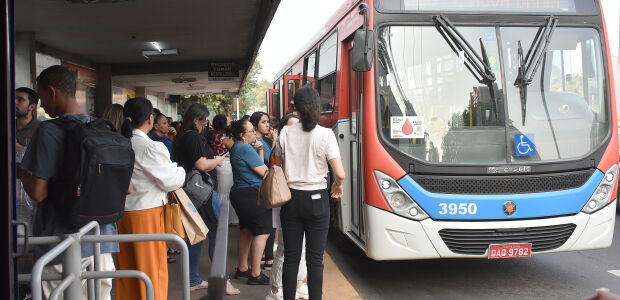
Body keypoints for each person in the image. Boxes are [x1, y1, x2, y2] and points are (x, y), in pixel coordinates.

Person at [17, 65, 120, 300]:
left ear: (51, 91)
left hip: (61, 244)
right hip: (102, 242)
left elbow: (39, 192)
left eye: (41, 97)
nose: (42, 104)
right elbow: (127, 187)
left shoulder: (48, 131)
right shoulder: (102, 128)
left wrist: (22, 174)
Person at [273, 86, 345, 300]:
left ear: (296, 108)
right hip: (317, 201)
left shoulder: (286, 132)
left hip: (291, 200)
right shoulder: (325, 135)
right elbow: (339, 173)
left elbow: (276, 164)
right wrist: (337, 185)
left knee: (291, 258)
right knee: (315, 259)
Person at [115, 97, 185, 300]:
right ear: (149, 118)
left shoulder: (121, 142)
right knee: (152, 269)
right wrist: (180, 169)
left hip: (123, 214)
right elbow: (171, 180)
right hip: (147, 213)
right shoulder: (149, 147)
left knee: (127, 270)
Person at [173, 104, 240, 295]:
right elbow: (202, 164)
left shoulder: (181, 136)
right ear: (196, 120)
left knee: (196, 235)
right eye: (204, 121)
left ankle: (193, 279)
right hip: (202, 193)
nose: (205, 125)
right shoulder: (192, 136)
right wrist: (217, 161)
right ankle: (223, 281)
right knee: (218, 234)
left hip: (189, 193)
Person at [265, 114, 308, 300]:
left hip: (302, 201)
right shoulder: (279, 149)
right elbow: (275, 172)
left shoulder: (304, 146)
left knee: (304, 247)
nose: (295, 130)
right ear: (283, 130)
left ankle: (299, 284)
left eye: (297, 126)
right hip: (285, 201)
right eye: (290, 126)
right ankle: (275, 288)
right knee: (285, 248)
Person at [229, 119, 271, 285]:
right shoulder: (245, 147)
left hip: (241, 194)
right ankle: (255, 274)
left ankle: (242, 269)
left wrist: (259, 150)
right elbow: (264, 171)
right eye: (252, 131)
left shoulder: (239, 147)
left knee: (247, 230)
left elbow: (257, 165)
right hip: (251, 194)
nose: (255, 133)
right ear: (242, 135)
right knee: (262, 232)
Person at [250, 111, 276, 270]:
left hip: (262, 184)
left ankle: (267, 255)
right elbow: (271, 160)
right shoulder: (258, 141)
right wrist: (274, 141)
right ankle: (269, 259)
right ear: (256, 125)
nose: (267, 125)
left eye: (268, 122)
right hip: (264, 184)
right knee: (269, 223)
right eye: (264, 122)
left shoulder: (259, 140)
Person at [210, 114, 239, 226]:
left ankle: (222, 218)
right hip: (226, 163)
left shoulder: (213, 135)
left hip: (217, 163)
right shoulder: (225, 136)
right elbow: (234, 148)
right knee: (226, 193)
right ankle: (230, 219)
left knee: (221, 192)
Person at [15, 87, 40, 151]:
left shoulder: (41, 129)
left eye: (20, 100)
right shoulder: (7, 126)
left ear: (32, 107)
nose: (14, 102)